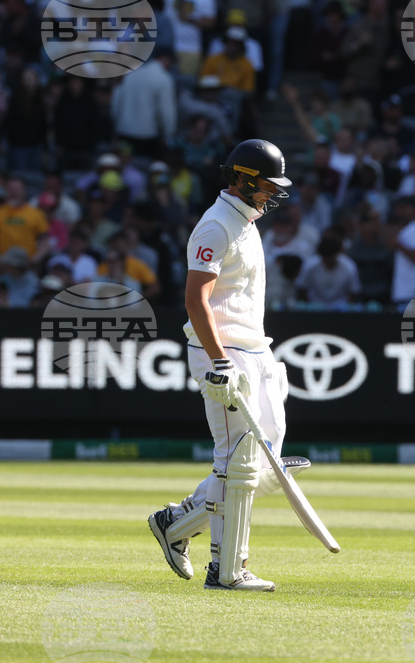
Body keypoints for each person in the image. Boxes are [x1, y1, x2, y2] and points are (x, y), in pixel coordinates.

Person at [147, 139, 294, 592]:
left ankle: (175, 524)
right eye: (267, 185)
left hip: (255, 349)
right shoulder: (215, 226)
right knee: (239, 462)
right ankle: (227, 569)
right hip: (225, 354)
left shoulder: (245, 221)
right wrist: (219, 361)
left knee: (267, 463)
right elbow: (196, 300)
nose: (272, 194)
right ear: (244, 179)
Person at [112, 48, 177, 157]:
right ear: (166, 60)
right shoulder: (164, 78)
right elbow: (167, 112)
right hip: (148, 136)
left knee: (125, 170)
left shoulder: (131, 74)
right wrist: (168, 135)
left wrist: (116, 126)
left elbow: (116, 103)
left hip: (124, 131)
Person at [388, 196, 415, 304]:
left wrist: (399, 245)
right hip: (401, 293)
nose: (400, 210)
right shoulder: (406, 229)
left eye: (404, 207)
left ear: (414, 208)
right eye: (398, 207)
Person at [297, 236, 361, 305]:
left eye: (330, 258)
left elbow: (353, 291)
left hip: (341, 308)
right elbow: (302, 288)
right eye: (325, 258)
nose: (327, 261)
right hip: (315, 306)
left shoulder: (349, 267)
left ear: (337, 254)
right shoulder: (309, 266)